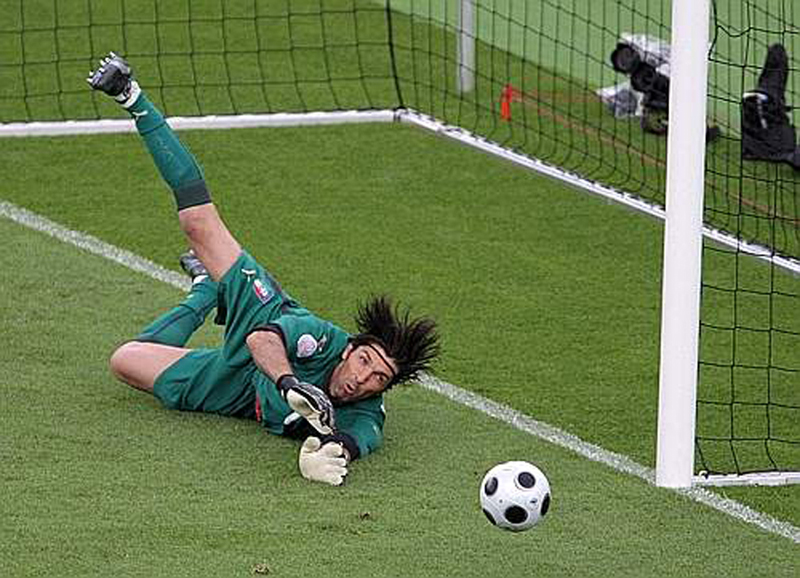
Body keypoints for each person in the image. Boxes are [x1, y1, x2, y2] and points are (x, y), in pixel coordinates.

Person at [87, 52, 440, 486]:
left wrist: (324, 455)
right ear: (350, 349)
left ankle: (203, 291)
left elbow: (350, 441)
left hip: (235, 390)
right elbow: (262, 338)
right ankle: (131, 95)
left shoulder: (367, 414)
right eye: (365, 361)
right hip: (265, 325)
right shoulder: (320, 337)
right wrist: (290, 381)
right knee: (198, 224)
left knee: (124, 360)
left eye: (377, 378)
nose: (361, 380)